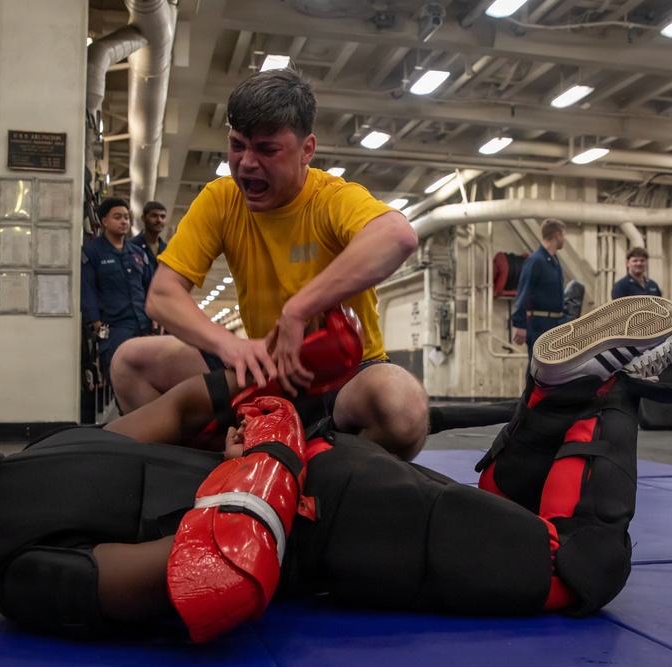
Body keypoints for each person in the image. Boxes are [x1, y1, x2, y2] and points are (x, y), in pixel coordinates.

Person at [0, 296, 672, 644]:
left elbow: (208, 574)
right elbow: (181, 417)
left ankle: (604, 394)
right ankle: (553, 403)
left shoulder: (23, 581)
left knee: (573, 566)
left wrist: (265, 448)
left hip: (335, 528)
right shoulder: (47, 450)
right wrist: (265, 411)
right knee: (497, 517)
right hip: (336, 474)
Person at [111, 66, 427, 460]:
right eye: (237, 145)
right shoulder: (220, 199)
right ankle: (206, 472)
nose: (245, 163)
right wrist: (229, 346)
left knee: (403, 407)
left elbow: (398, 236)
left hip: (346, 376)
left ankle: (331, 483)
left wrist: (299, 310)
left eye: (266, 149)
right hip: (265, 370)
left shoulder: (331, 199)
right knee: (130, 361)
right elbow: (161, 296)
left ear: (306, 150)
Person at [80, 197, 155, 386]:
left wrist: (154, 318)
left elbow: (150, 287)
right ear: (104, 221)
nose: (124, 222)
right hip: (114, 330)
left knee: (147, 381)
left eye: (126, 218)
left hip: (142, 327)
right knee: (121, 384)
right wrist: (97, 324)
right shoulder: (92, 252)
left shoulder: (137, 253)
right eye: (117, 217)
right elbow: (87, 290)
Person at [511, 218, 567, 367]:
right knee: (537, 370)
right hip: (539, 325)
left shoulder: (553, 260)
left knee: (551, 372)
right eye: (563, 235)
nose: (564, 239)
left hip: (554, 323)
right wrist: (520, 324)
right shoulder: (536, 261)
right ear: (557, 235)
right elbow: (524, 292)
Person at [129, 200, 168, 267]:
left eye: (162, 216)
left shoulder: (167, 249)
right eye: (154, 216)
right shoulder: (131, 246)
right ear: (143, 218)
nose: (159, 220)